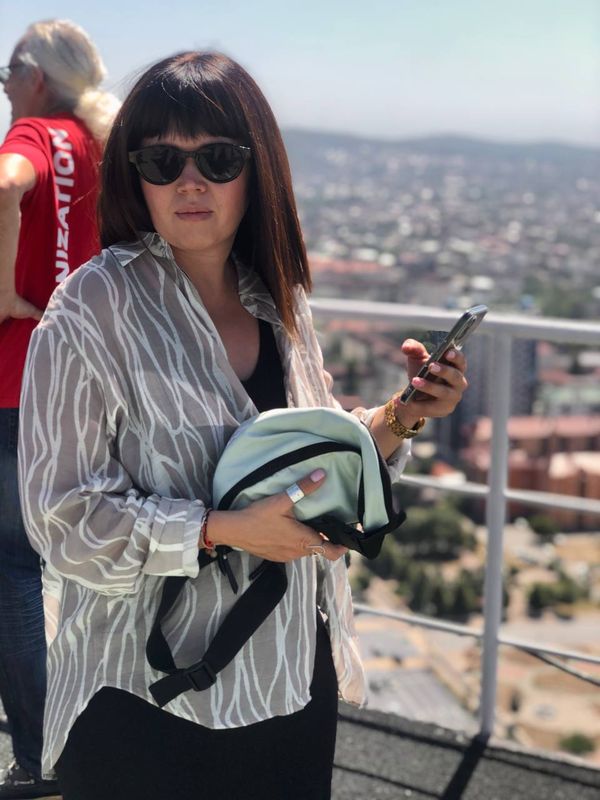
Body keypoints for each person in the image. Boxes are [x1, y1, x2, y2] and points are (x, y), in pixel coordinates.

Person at [18, 51, 467, 800]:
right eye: (163, 161)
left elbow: (310, 457)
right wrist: (221, 531)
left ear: (256, 171)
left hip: (286, 677)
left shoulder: (279, 300)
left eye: (218, 159)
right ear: (136, 176)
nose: (190, 182)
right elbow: (60, 520)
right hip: (144, 697)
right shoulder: (90, 311)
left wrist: (402, 416)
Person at [0, 19, 119, 799]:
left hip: (16, 385)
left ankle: (41, 756)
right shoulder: (103, 142)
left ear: (36, 76)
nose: (5, 86)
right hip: (91, 384)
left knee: (12, 569)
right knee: (87, 559)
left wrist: (5, 294)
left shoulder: (34, 133)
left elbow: (5, 185)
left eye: (8, 72)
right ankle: (100, 735)